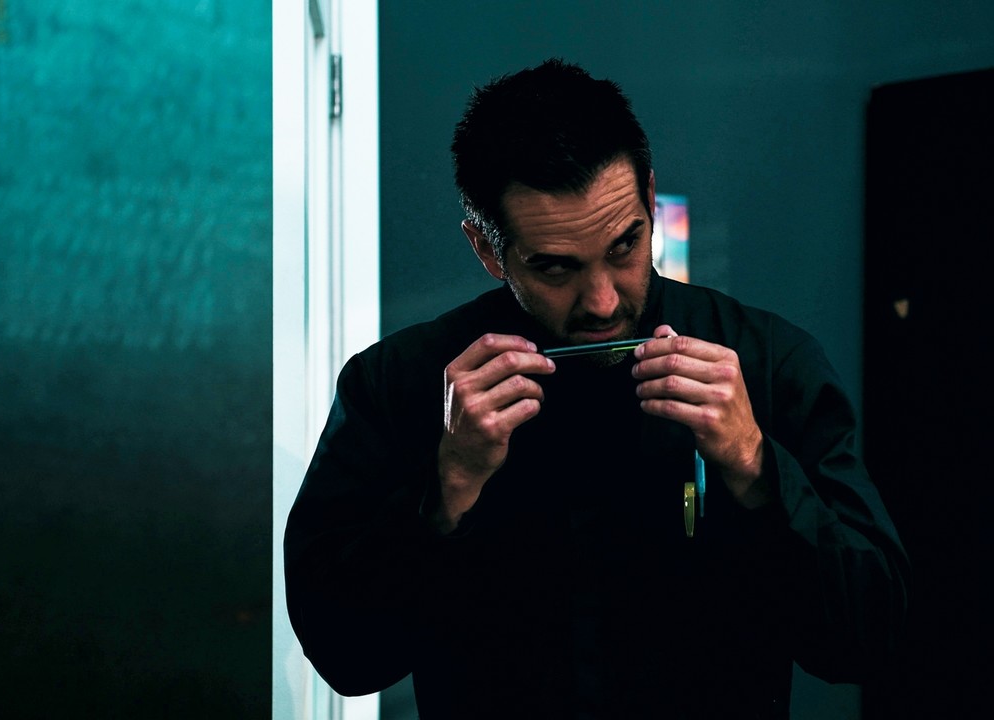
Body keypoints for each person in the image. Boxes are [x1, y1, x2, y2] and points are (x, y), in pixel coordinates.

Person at [284, 58, 909, 720]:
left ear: (649, 197)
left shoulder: (768, 362)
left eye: (624, 246)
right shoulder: (398, 383)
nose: (603, 301)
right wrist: (447, 489)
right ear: (488, 251)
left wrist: (756, 466)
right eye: (556, 268)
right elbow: (346, 658)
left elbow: (867, 639)